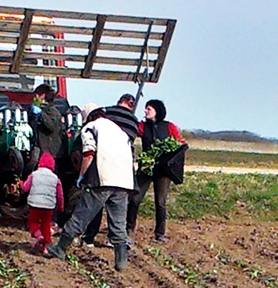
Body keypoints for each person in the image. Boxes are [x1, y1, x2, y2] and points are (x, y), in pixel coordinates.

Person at [46, 105, 134, 270]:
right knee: (118, 222)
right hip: (124, 181)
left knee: (82, 215)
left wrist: (81, 176)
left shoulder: (91, 128)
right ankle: (121, 262)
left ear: (89, 117)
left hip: (102, 179)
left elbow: (88, 153)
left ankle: (60, 248)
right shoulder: (120, 132)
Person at [81, 93, 139, 247]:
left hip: (104, 165)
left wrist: (82, 175)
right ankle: (118, 244)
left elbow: (92, 147)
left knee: (96, 203)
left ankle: (87, 237)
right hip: (125, 169)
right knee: (118, 211)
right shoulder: (134, 122)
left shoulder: (107, 115)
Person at [127, 99, 185, 243]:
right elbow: (131, 131)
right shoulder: (142, 126)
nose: (145, 111)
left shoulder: (169, 127)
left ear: (157, 111)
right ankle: (128, 229)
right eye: (146, 109)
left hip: (163, 170)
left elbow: (180, 143)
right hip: (147, 168)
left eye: (149, 109)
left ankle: (160, 234)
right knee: (135, 198)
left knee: (160, 202)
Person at [20, 152, 64, 254]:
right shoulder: (55, 178)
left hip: (35, 205)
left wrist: (20, 183)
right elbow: (60, 195)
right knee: (46, 226)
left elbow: (25, 188)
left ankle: (39, 236)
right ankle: (45, 248)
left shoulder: (34, 174)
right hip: (49, 207)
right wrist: (60, 207)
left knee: (33, 222)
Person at [30, 83, 63, 159]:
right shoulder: (39, 111)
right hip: (40, 151)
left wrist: (41, 114)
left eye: (36, 96)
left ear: (42, 96)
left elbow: (51, 126)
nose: (34, 98)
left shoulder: (52, 111)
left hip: (51, 152)